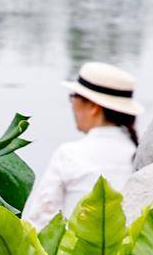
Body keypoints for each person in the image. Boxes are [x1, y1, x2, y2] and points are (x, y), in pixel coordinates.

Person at [23, 62, 141, 227]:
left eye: (74, 97)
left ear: (93, 107)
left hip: (75, 251)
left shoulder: (70, 154)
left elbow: (38, 222)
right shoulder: (139, 155)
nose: (72, 104)